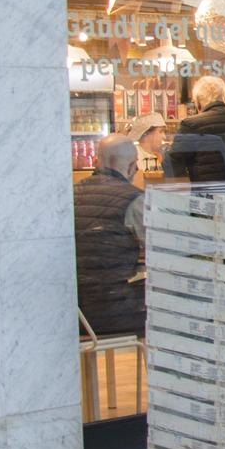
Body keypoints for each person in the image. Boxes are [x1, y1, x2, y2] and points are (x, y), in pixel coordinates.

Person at [74, 134, 146, 337]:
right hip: (115, 311)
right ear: (132, 167)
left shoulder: (70, 194)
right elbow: (162, 247)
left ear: (96, 161)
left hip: (72, 311)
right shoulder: (134, 199)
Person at [163, 76, 225, 184]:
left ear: (198, 101)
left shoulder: (191, 124)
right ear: (224, 97)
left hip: (206, 195)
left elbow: (173, 163)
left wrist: (183, 192)